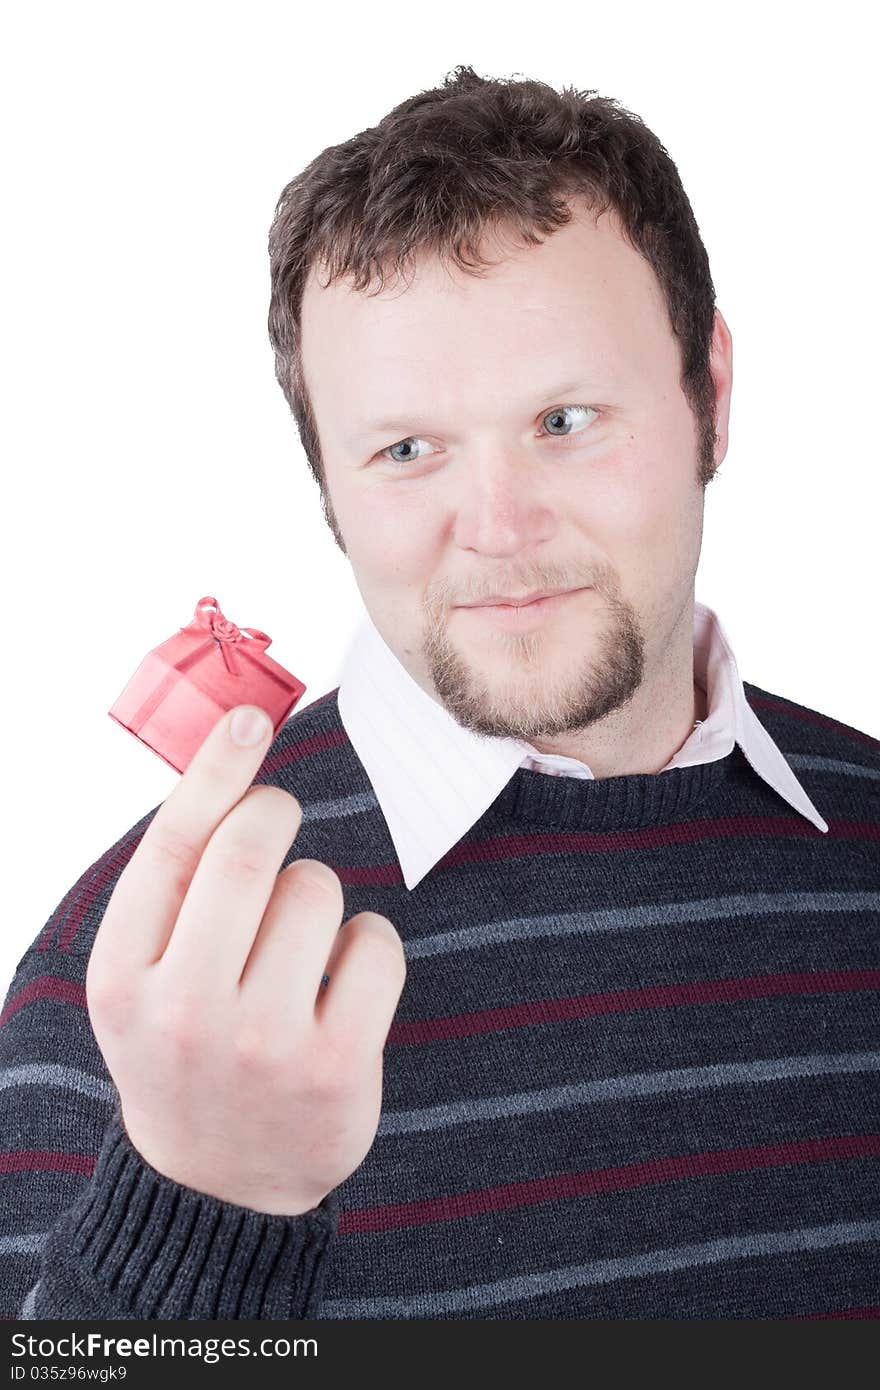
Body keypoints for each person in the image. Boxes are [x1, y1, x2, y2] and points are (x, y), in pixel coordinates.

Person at [2, 64, 878, 1322]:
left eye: (566, 420)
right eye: (406, 450)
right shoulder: (141, 987)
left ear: (712, 397)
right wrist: (198, 1203)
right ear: (327, 487)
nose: (497, 528)